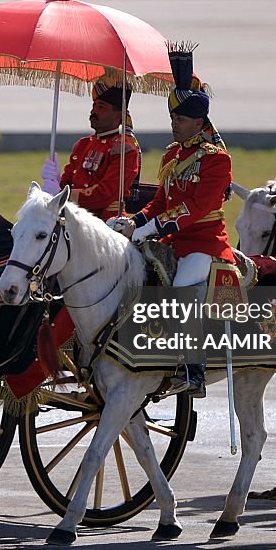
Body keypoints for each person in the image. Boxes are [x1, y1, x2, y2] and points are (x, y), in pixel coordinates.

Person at [110, 43, 235, 397]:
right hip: (171, 239)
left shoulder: (216, 160)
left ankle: (193, 369)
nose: (174, 125)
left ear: (198, 122)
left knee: (182, 286)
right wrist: (133, 221)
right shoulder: (171, 155)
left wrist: (151, 227)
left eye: (179, 119)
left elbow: (195, 209)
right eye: (172, 119)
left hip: (205, 244)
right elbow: (159, 203)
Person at [40, 81, 141, 219]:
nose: (93, 112)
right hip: (73, 217)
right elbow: (67, 182)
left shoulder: (124, 149)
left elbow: (105, 194)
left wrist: (65, 195)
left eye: (101, 107)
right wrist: (54, 181)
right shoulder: (82, 145)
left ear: (118, 115)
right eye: (94, 106)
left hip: (105, 222)